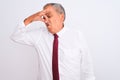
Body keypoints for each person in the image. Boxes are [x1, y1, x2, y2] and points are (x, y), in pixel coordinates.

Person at [11, 3, 95, 80]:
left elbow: (87, 69)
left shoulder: (77, 36)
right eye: (44, 17)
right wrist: (31, 18)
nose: (45, 20)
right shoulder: (39, 35)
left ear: (61, 17)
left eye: (49, 16)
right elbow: (15, 36)